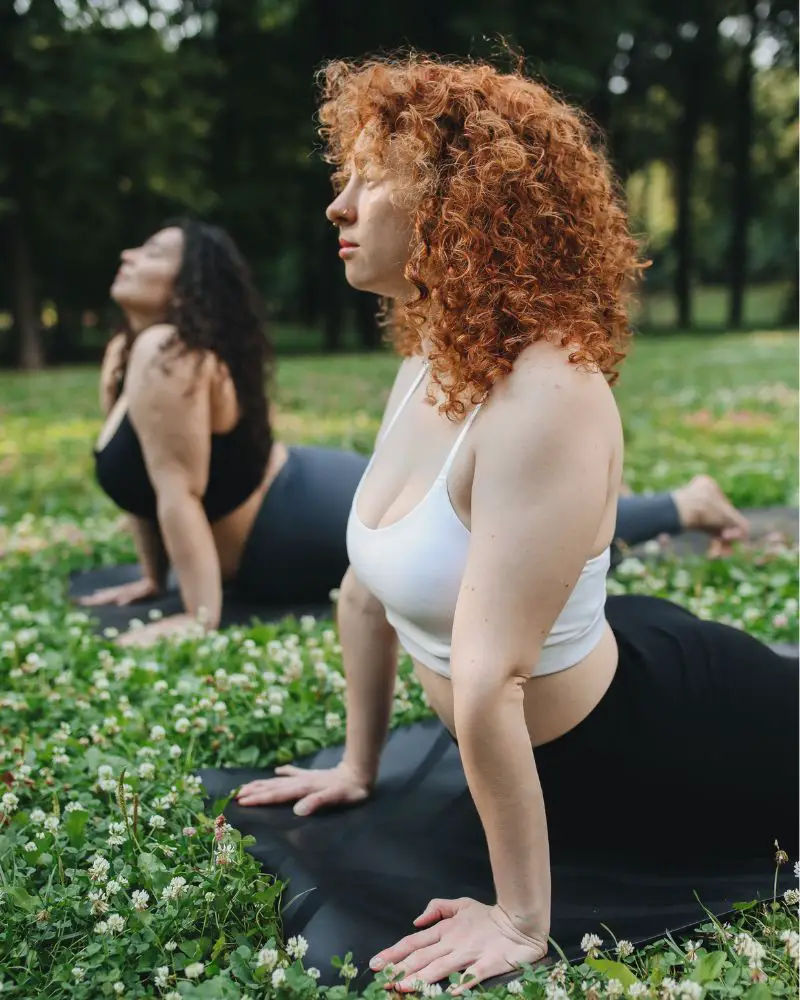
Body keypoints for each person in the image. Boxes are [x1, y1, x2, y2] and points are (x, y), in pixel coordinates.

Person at [233, 55, 798, 991]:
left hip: (664, 744)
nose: (339, 205)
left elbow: (492, 678)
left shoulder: (551, 393)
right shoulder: (432, 358)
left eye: (373, 180)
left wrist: (523, 921)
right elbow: (363, 590)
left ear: (462, 205)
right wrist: (358, 767)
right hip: (615, 667)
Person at [81, 219, 368, 645]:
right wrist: (153, 579)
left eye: (153, 253)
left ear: (186, 287)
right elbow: (144, 475)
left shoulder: (169, 352)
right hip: (297, 487)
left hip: (303, 519)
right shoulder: (126, 352)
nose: (128, 256)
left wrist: (198, 617)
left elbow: (179, 490)